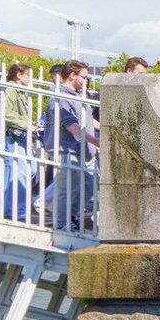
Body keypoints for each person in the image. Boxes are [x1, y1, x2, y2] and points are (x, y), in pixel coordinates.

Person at [49, 60, 98, 231]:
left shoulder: (77, 95)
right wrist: (96, 141)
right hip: (69, 149)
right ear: (72, 75)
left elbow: (87, 120)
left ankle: (72, 216)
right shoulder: (61, 95)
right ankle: (62, 224)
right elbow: (71, 126)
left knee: (89, 185)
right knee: (67, 189)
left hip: (83, 150)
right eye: (84, 77)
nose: (86, 81)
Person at [0, 64, 34, 221]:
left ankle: (4, 201)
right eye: (27, 75)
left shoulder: (18, 91)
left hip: (15, 135)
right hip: (11, 135)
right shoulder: (10, 89)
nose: (29, 79)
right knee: (18, 172)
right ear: (19, 75)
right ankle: (16, 210)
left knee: (21, 171)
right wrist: (27, 125)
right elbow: (6, 114)